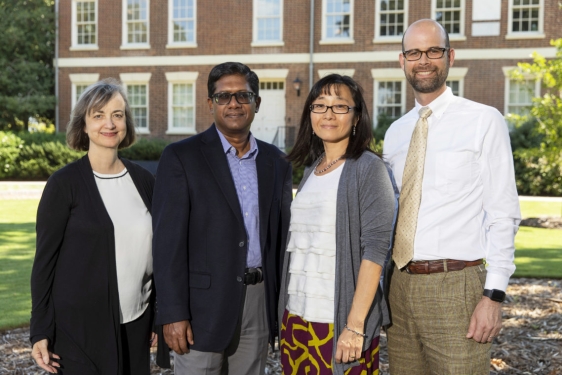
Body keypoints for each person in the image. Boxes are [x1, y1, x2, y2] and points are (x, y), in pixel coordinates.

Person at [383, 19, 521, 374]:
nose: (424, 60)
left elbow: (503, 214)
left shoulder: (484, 120)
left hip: (456, 286)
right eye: (414, 52)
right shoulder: (396, 133)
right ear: (402, 61)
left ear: (450, 56)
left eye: (434, 51)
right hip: (398, 286)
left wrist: (493, 296)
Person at [152, 62, 293, 375]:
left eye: (243, 96)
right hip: (200, 306)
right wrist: (173, 312)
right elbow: (166, 244)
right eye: (223, 97)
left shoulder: (277, 162)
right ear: (210, 103)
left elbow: (281, 238)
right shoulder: (181, 157)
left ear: (257, 102)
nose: (233, 104)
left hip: (257, 302)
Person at [30, 78, 157, 374]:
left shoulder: (145, 181)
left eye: (117, 114)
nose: (109, 123)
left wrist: (157, 314)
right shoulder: (64, 185)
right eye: (98, 115)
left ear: (126, 122)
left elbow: (161, 252)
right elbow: (44, 264)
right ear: (84, 126)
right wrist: (40, 330)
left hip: (136, 323)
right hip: (79, 331)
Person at [278, 74, 397, 375]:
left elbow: (376, 251)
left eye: (340, 106)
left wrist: (355, 327)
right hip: (298, 317)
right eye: (320, 105)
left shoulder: (369, 169)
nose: (328, 114)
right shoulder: (312, 169)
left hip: (339, 321)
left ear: (356, 117)